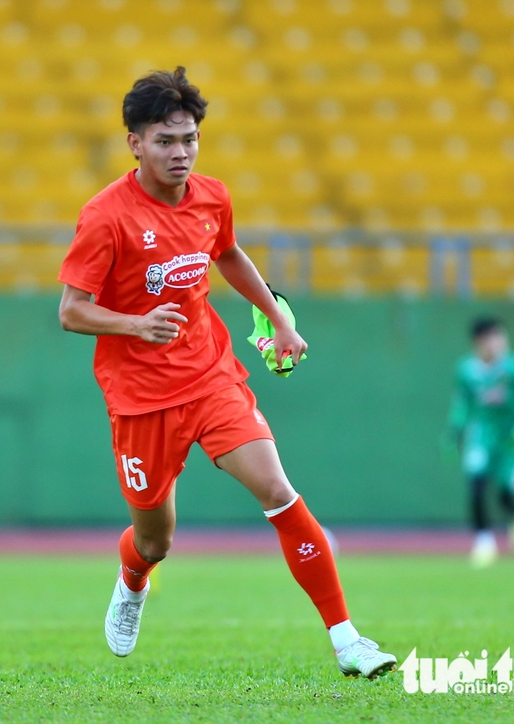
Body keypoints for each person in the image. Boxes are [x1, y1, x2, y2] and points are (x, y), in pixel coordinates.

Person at [57, 68, 397, 680]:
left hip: (212, 375)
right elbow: (70, 311)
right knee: (155, 540)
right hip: (140, 398)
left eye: (189, 139)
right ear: (134, 142)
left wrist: (276, 316)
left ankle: (348, 639)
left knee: (276, 489)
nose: (180, 152)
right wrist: (135, 326)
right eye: (165, 141)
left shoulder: (212, 196)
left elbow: (229, 254)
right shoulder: (105, 217)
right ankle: (133, 578)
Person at [447, 317, 514, 568]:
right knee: (477, 484)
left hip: (512, 438)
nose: (495, 344)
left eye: (499, 337)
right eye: (489, 339)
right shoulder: (467, 371)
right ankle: (484, 542)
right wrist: (455, 432)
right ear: (478, 343)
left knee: (506, 494)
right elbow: (462, 404)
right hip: (482, 434)